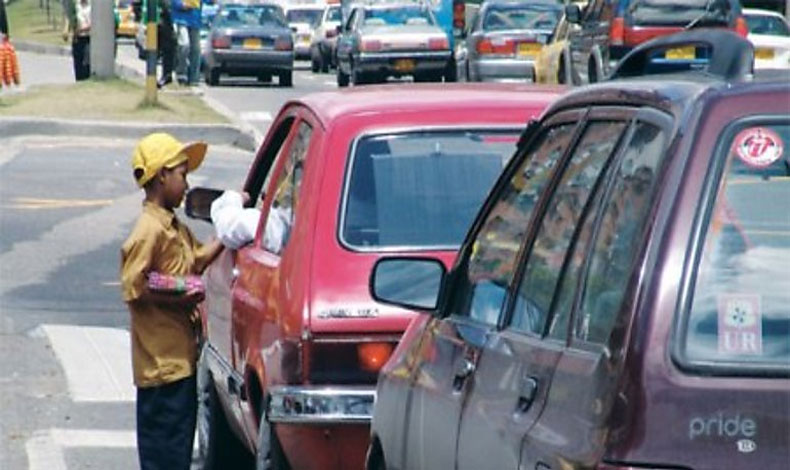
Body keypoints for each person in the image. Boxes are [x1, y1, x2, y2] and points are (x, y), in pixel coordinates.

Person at [120, 132, 222, 470]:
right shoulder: (149, 230)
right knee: (164, 461)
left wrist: (231, 227)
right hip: (161, 369)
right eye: (182, 174)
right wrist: (182, 287)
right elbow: (135, 284)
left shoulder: (174, 227)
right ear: (162, 176)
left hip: (180, 363)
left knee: (177, 457)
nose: (187, 183)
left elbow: (197, 259)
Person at [171, 0, 201, 85]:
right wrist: (182, 5)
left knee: (196, 50)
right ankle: (181, 73)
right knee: (184, 45)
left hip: (195, 22)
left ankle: (193, 78)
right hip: (181, 20)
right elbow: (174, 3)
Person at [62, 0, 92, 81]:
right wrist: (66, 30)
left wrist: (82, 29)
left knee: (86, 64)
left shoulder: (91, 6)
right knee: (78, 65)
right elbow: (70, 17)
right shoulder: (76, 6)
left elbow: (94, 23)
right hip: (77, 39)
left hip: (88, 38)